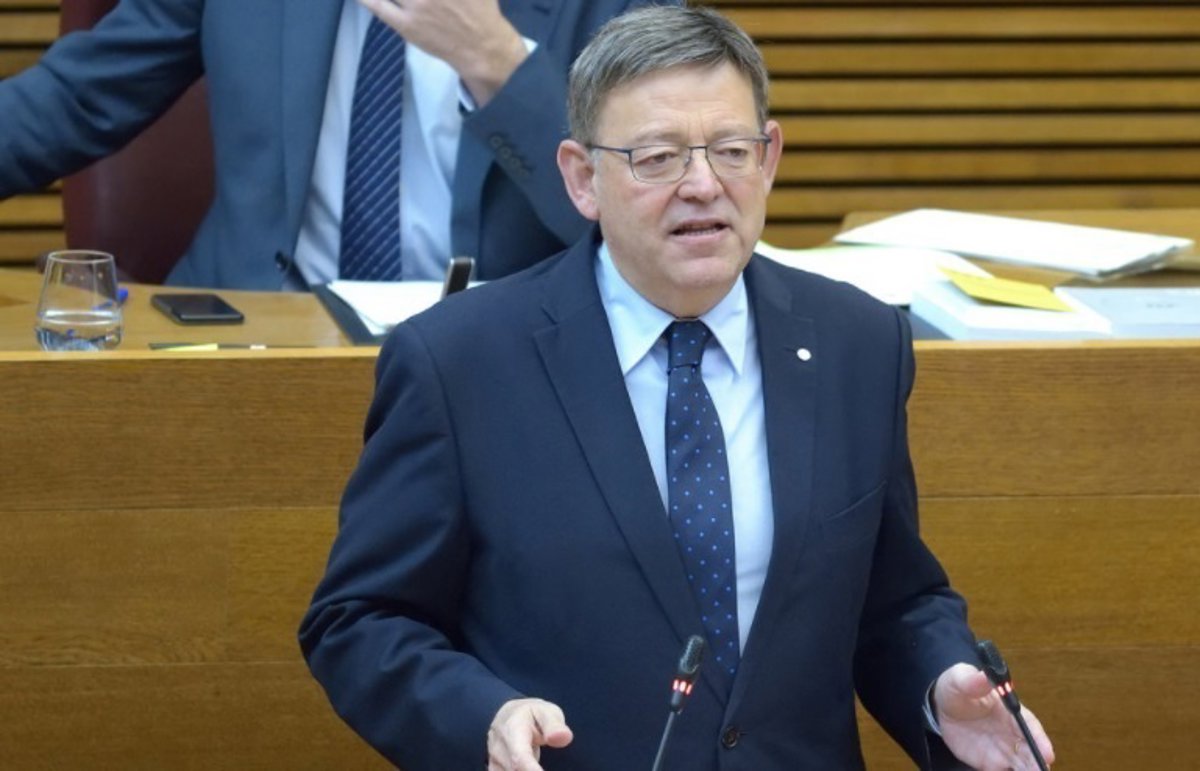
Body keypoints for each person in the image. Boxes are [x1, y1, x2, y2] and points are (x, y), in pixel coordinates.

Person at [299, 6, 1057, 770]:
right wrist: (483, 716)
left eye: (731, 151)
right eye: (658, 158)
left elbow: (893, 600)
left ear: (769, 158)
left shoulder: (856, 342)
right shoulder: (460, 361)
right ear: (582, 178)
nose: (703, 185)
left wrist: (938, 684)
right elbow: (360, 619)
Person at [0, 0, 664, 290]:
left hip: (498, 358)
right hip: (253, 336)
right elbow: (76, 97)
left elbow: (651, 210)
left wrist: (495, 61)